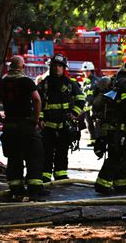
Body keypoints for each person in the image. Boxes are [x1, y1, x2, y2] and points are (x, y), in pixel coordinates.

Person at [0, 56, 49, 197]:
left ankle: (16, 189)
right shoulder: (26, 82)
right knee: (34, 154)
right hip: (26, 124)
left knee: (13, 157)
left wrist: (1, 119)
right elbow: (36, 99)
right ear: (22, 67)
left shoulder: (2, 83)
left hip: (9, 125)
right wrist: (35, 120)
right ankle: (35, 187)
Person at [94, 58, 126, 194]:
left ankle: (122, 185)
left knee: (121, 156)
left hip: (110, 126)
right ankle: (102, 184)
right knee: (117, 157)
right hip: (120, 127)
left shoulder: (115, 80)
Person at [37, 54, 85, 182]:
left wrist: (74, 114)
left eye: (60, 66)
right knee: (46, 151)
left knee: (62, 151)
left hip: (65, 124)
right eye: (55, 66)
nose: (57, 68)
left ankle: (60, 174)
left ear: (64, 68)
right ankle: (45, 175)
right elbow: (37, 103)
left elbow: (81, 100)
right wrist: (40, 119)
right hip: (48, 125)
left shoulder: (71, 84)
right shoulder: (44, 84)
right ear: (51, 67)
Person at [80, 61, 99, 147]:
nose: (85, 73)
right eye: (84, 71)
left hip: (95, 108)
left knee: (96, 125)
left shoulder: (96, 81)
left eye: (87, 71)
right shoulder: (85, 82)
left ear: (92, 71)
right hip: (87, 108)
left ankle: (98, 142)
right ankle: (93, 140)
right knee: (89, 124)